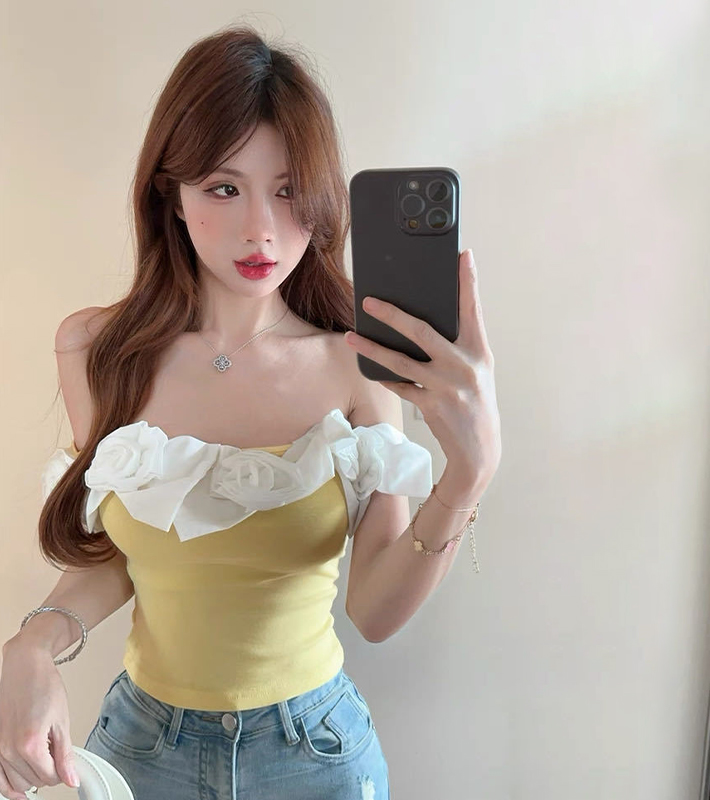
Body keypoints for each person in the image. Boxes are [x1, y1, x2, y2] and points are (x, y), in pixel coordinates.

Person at [0, 23, 500, 800]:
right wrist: (30, 646)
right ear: (171, 196)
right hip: (142, 751)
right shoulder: (98, 350)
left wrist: (468, 475)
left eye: (289, 189)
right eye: (224, 188)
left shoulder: (356, 365)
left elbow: (374, 611)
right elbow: (113, 551)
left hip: (316, 755)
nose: (260, 228)